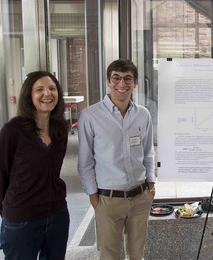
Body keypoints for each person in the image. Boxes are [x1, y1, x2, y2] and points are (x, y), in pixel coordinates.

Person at [78, 59, 156, 260]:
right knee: (109, 256)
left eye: (128, 78)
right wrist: (94, 198)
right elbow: (85, 162)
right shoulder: (90, 116)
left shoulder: (143, 115)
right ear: (108, 81)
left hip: (140, 197)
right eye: (116, 78)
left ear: (135, 83)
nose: (122, 84)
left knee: (137, 255)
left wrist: (151, 185)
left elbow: (148, 152)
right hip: (108, 200)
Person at [0, 71, 70, 259]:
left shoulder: (60, 129)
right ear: (29, 95)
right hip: (22, 219)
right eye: (39, 89)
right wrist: (11, 211)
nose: (47, 94)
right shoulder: (12, 130)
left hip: (57, 214)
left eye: (52, 89)